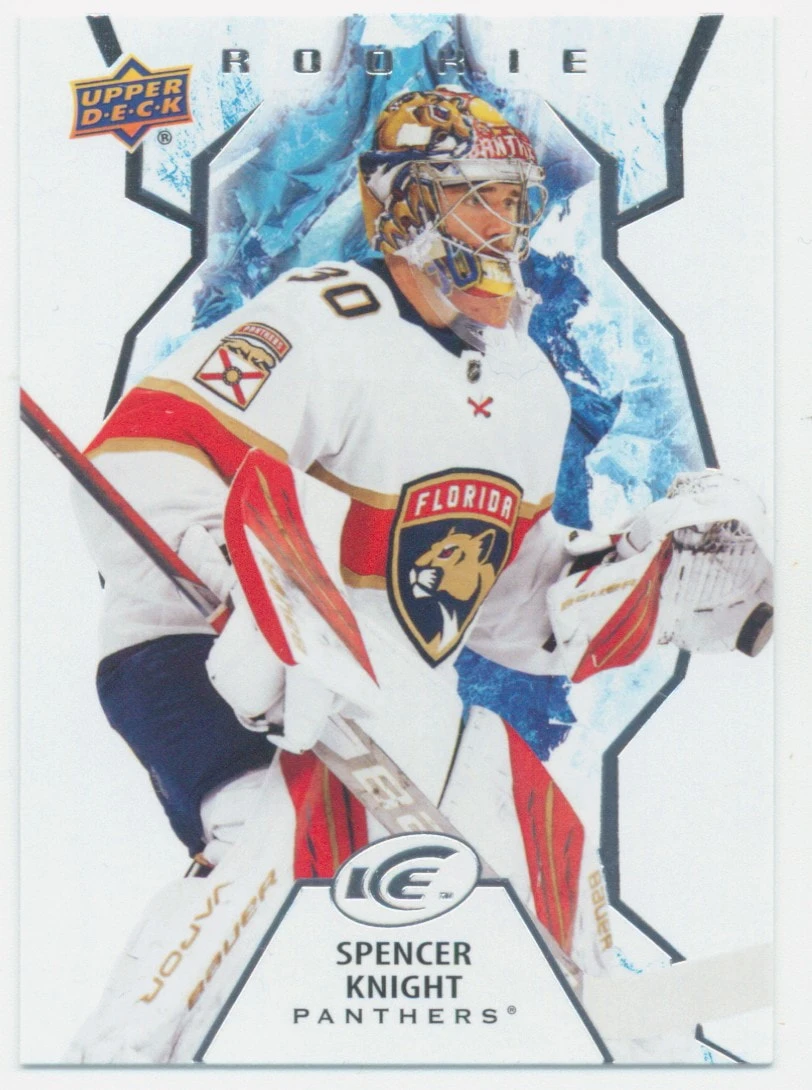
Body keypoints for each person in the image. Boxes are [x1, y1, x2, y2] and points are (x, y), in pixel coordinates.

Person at [70, 87, 771, 1059]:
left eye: (513, 198)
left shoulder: (525, 385)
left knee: (532, 825)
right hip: (196, 649)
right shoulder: (319, 320)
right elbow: (142, 457)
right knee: (270, 837)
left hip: (380, 687)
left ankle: (627, 1039)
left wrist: (647, 583)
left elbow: (495, 600)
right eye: (474, 195)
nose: (503, 223)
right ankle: (120, 1056)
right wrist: (258, 602)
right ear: (403, 204)